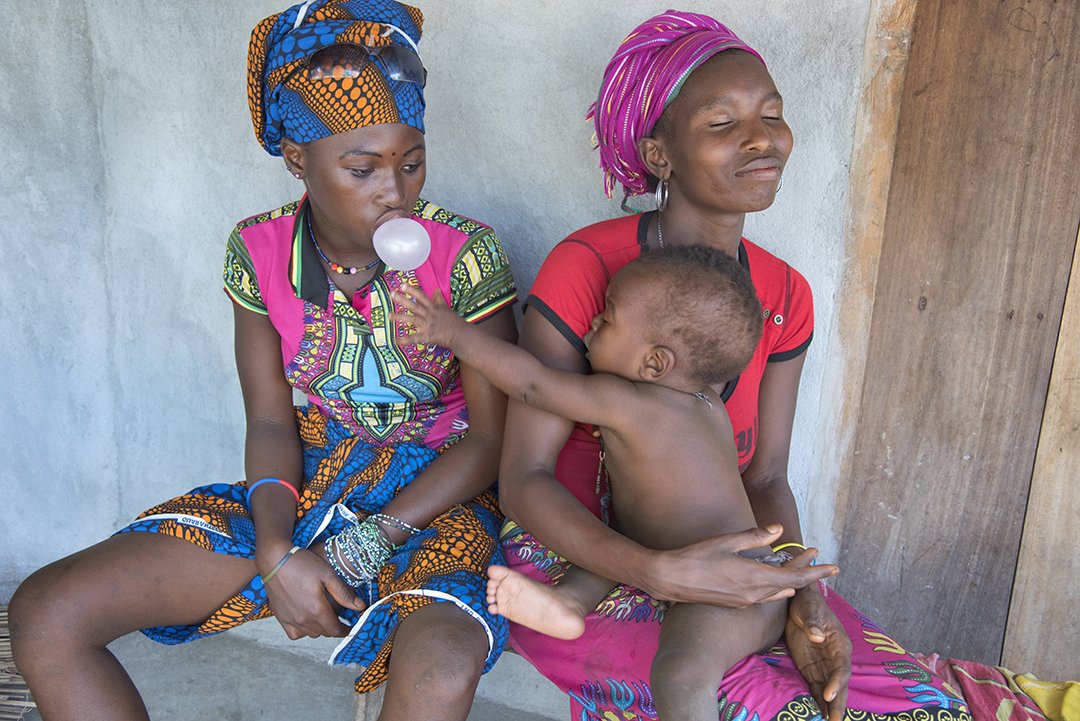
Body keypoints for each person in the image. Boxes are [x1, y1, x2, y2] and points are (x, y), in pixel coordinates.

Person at [9, 2, 517, 720]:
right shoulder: (258, 249)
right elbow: (273, 422)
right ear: (298, 160)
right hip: (312, 477)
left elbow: (493, 439)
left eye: (412, 162)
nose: (396, 191)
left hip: (446, 497)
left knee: (438, 669)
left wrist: (368, 542)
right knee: (48, 611)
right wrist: (278, 551)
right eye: (362, 169)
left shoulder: (466, 253)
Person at [497, 11, 971, 721]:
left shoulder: (786, 294)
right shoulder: (590, 266)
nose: (761, 139)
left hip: (727, 565)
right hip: (577, 562)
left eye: (771, 114)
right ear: (660, 154)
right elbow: (523, 479)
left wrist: (799, 593)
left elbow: (766, 479)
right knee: (764, 707)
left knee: (914, 703)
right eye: (723, 123)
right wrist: (657, 570)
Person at [396, 244, 828, 720]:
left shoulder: (629, 402)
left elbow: (533, 384)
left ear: (655, 364)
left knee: (680, 674)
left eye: (607, 319)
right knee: (612, 542)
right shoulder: (706, 405)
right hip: (728, 566)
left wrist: (455, 333)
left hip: (730, 589)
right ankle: (568, 603)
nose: (590, 326)